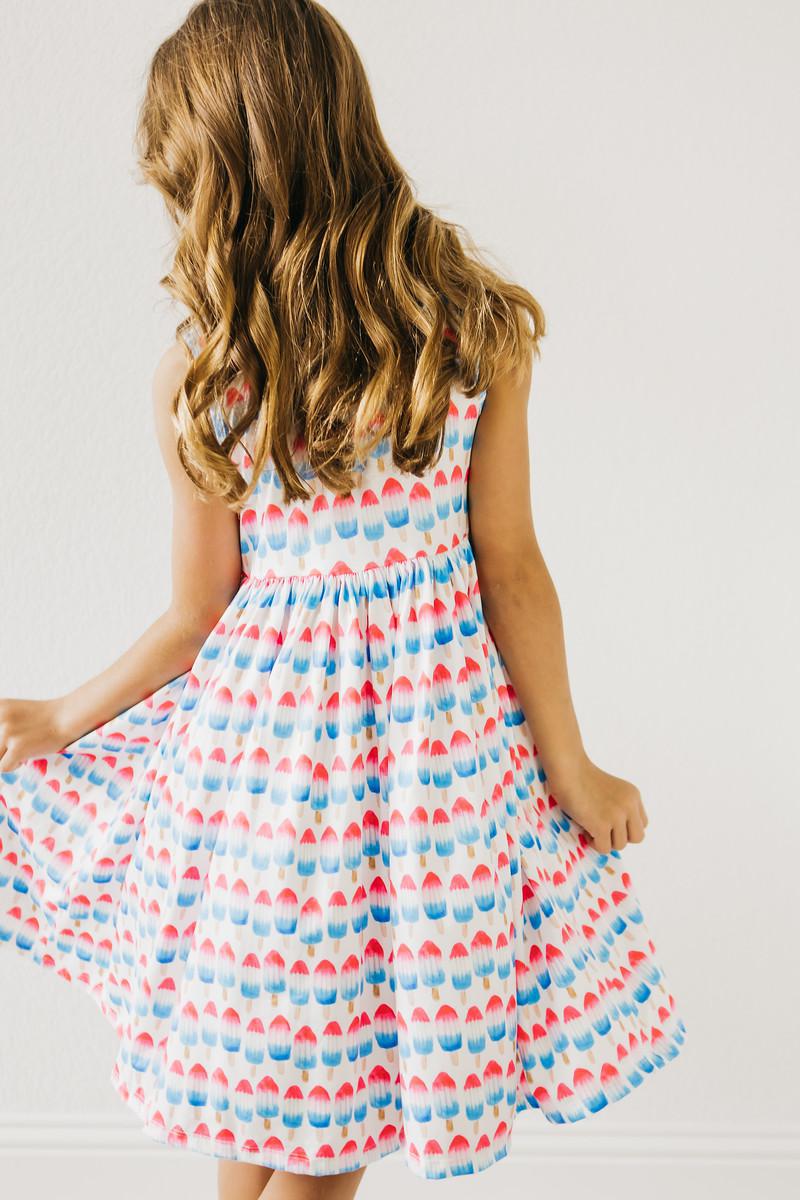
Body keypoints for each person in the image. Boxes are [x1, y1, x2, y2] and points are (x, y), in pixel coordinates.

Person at [0, 1, 687, 1194]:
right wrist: (64, 716)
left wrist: (571, 768)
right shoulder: (251, 364)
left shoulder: (456, 336)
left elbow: (500, 563)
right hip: (321, 777)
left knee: (291, 1096)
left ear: (223, 180)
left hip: (355, 781)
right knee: (301, 1105)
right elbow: (223, 608)